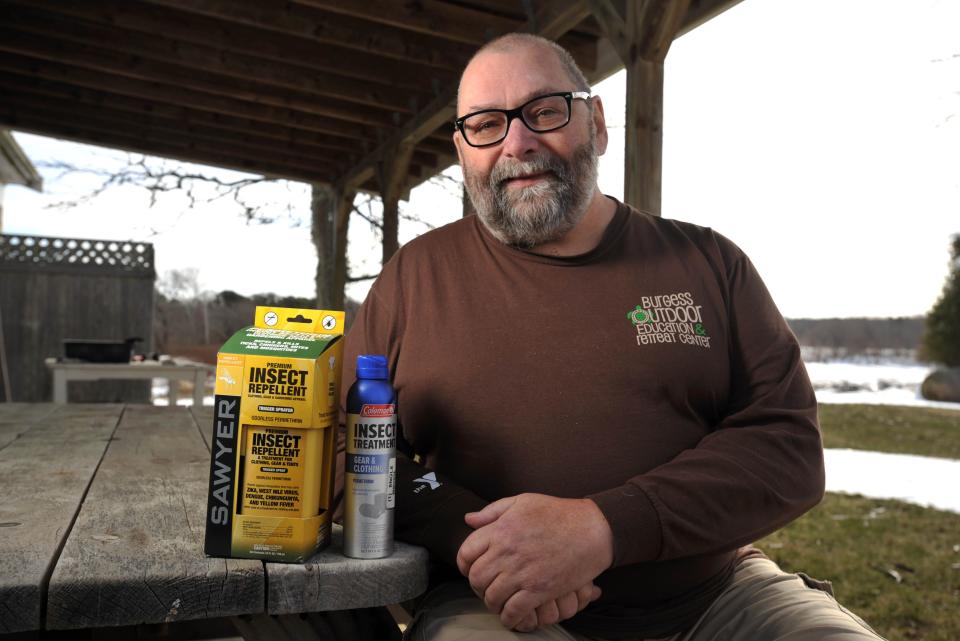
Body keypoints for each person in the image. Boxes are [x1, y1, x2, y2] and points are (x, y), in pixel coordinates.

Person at [340, 32, 883, 641]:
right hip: (493, 605)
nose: (517, 143)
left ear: (595, 122)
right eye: (487, 124)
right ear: (464, 148)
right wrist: (482, 541)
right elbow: (340, 443)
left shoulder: (708, 262)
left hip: (717, 598)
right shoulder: (415, 278)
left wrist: (604, 527)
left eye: (544, 112)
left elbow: (788, 449)